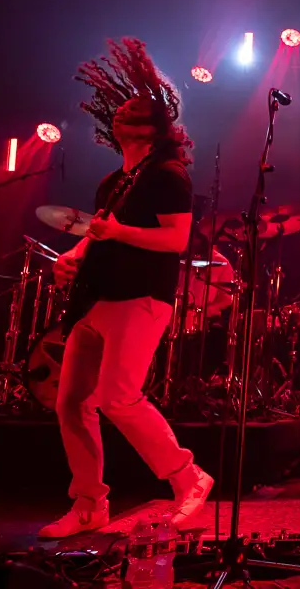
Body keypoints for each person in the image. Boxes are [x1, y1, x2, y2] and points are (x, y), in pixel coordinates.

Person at [40, 38, 213, 539]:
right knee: (72, 403)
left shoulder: (168, 175)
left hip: (140, 297)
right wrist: (73, 257)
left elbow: (175, 239)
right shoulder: (113, 182)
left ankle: (188, 478)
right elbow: (99, 233)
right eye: (118, 110)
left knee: (118, 397)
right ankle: (89, 504)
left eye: (133, 110)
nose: (120, 113)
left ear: (153, 127)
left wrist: (117, 232)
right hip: (96, 299)